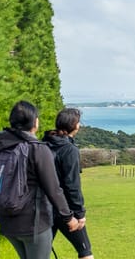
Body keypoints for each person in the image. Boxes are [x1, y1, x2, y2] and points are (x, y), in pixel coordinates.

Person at [0, 100, 80, 258]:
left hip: (9, 226)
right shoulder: (38, 149)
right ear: (35, 122)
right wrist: (69, 218)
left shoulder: (1, 148)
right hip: (33, 225)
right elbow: (54, 189)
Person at [43, 108, 94, 259]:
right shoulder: (69, 150)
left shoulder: (43, 144)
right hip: (65, 210)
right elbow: (72, 185)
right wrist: (79, 213)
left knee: (40, 253)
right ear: (75, 125)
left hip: (43, 208)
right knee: (85, 251)